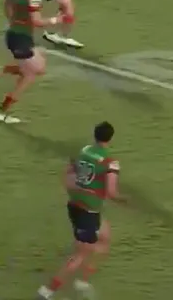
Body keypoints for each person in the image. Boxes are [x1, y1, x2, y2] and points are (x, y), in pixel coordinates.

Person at [36, 121, 123, 300]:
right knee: (80, 254)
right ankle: (46, 292)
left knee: (105, 238)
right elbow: (112, 192)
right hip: (88, 212)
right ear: (110, 138)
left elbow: (69, 174)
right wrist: (126, 200)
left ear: (95, 135)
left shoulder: (84, 151)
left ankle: (83, 281)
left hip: (77, 206)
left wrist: (78, 190)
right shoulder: (110, 162)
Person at [0, 0, 61, 124]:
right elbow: (37, 21)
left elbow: (6, 4)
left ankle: (0, 72)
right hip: (20, 39)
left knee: (37, 69)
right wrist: (56, 20)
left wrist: (13, 21)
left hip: (16, 35)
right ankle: (1, 111)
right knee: (31, 74)